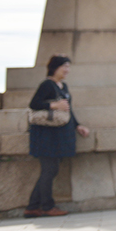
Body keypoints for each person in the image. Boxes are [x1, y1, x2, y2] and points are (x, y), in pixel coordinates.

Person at [25, 55, 90, 218]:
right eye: (64, 66)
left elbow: (68, 109)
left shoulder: (63, 86)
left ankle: (33, 207)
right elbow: (34, 104)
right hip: (46, 136)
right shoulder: (47, 84)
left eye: (68, 67)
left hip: (58, 136)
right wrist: (54, 105)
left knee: (50, 170)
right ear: (55, 68)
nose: (67, 70)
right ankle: (47, 207)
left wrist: (78, 125)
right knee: (49, 170)